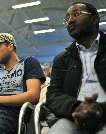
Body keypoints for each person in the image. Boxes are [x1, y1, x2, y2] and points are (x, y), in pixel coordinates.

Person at [45, 2, 106, 134]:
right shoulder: (62, 59)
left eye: (76, 14)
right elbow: (53, 95)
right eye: (67, 18)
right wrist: (76, 107)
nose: (70, 20)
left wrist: (100, 109)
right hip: (72, 117)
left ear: (94, 19)